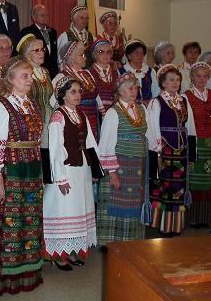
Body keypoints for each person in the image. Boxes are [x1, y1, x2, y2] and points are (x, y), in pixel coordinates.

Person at [0, 56, 44, 295]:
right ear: (10, 79)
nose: (30, 80)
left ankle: (28, 273)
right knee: (11, 221)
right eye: (24, 76)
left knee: (30, 221)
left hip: (32, 168)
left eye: (30, 75)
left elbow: (37, 139)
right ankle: (8, 278)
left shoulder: (31, 104)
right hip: (12, 169)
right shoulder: (1, 106)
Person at [44, 77, 97, 270]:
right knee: (64, 209)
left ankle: (73, 250)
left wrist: (95, 166)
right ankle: (59, 255)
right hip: (66, 170)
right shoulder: (58, 117)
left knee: (78, 208)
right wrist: (60, 178)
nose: (77, 95)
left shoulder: (81, 114)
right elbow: (56, 148)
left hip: (81, 169)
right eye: (72, 91)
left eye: (79, 91)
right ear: (62, 95)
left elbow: (90, 142)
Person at [145, 64, 196, 236]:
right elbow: (152, 128)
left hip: (182, 151)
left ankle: (176, 225)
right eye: (171, 80)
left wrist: (192, 153)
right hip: (164, 150)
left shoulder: (183, 101)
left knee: (179, 187)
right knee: (164, 187)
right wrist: (157, 152)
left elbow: (190, 127)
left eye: (178, 80)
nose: (175, 83)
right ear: (163, 83)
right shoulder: (157, 102)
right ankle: (164, 225)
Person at [98, 72, 148, 244]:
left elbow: (147, 135)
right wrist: (112, 172)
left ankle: (132, 240)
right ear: (120, 91)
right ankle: (113, 242)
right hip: (119, 164)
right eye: (129, 88)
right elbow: (105, 144)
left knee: (135, 201)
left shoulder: (141, 109)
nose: (134, 91)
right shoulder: (113, 112)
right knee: (118, 201)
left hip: (138, 163)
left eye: (135, 88)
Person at [183, 62, 211, 228]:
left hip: (209, 141)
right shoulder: (186, 96)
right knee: (194, 179)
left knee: (208, 178)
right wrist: (189, 141)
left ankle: (205, 217)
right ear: (192, 77)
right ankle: (193, 217)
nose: (202, 79)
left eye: (205, 76)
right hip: (194, 140)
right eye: (198, 76)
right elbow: (186, 121)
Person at [18, 34, 54, 177]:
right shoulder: (24, 74)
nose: (41, 53)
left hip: (49, 119)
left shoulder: (45, 71)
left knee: (50, 155)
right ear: (27, 54)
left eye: (42, 49)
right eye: (37, 50)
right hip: (33, 121)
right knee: (39, 156)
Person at [53, 41, 103, 139]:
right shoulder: (62, 77)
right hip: (75, 120)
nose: (85, 58)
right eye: (82, 55)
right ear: (72, 58)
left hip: (93, 118)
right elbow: (54, 102)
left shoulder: (87, 74)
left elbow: (97, 97)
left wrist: (103, 115)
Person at [20, 4, 59, 78]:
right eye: (42, 15)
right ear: (34, 17)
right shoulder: (27, 32)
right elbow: (25, 55)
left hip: (53, 73)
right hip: (36, 71)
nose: (46, 17)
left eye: (47, 15)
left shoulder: (53, 32)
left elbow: (54, 54)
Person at [118, 39, 159, 106]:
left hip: (148, 108)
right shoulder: (121, 71)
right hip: (128, 107)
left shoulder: (150, 71)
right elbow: (119, 93)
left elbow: (156, 91)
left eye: (141, 53)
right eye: (136, 53)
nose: (140, 55)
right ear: (129, 56)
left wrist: (152, 103)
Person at [89, 38, 118, 113]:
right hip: (96, 114)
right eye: (101, 52)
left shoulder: (116, 73)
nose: (105, 54)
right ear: (94, 54)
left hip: (114, 114)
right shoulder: (88, 73)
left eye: (108, 52)